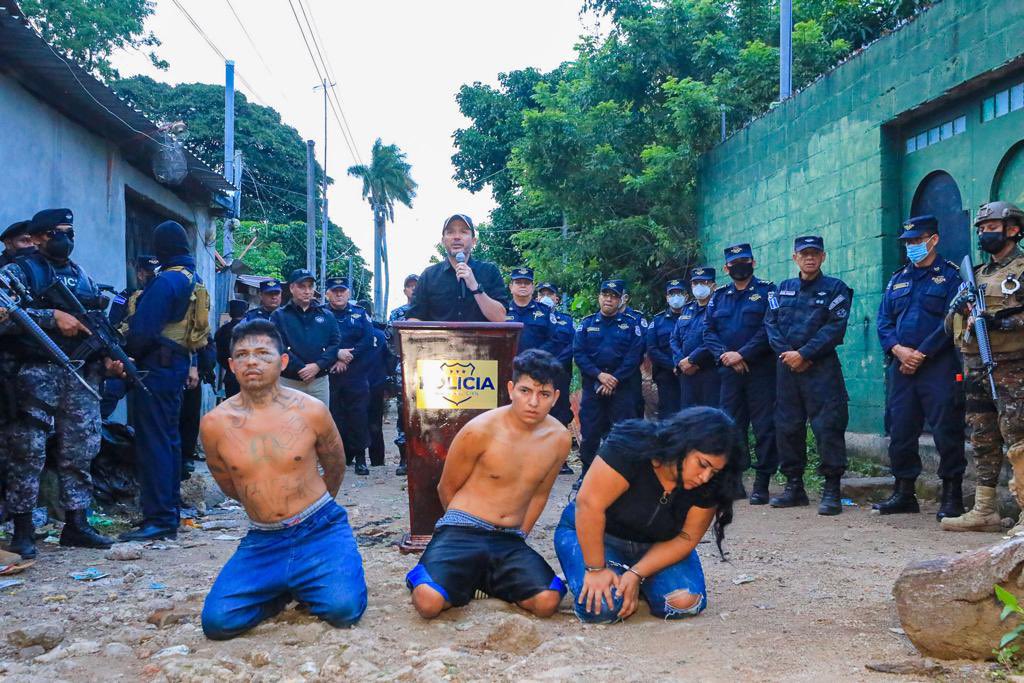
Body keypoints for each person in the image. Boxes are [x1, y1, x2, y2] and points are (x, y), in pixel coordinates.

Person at [199, 319, 366, 639]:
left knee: (343, 610)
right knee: (218, 623)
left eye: (263, 353)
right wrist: (265, 503)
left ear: (283, 361)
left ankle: (315, 574)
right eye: (243, 355)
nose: (252, 362)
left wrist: (314, 507)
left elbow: (335, 464)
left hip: (320, 528)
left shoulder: (311, 410)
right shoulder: (214, 424)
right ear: (231, 365)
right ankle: (282, 590)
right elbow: (226, 481)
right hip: (264, 539)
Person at [406, 349, 570, 619]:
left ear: (555, 398)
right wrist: (461, 527)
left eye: (544, 395)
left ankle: (479, 580)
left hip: (508, 538)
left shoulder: (559, 438)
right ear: (510, 389)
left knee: (547, 601)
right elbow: (446, 487)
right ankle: (459, 576)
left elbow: (540, 494)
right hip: (462, 530)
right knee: (428, 602)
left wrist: (520, 536)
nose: (533, 402)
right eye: (525, 391)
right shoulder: (480, 430)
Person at [2, 208, 118, 557]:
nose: (65, 238)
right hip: (32, 373)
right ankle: (23, 529)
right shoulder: (17, 271)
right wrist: (50, 317)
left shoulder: (82, 276)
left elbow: (94, 320)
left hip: (79, 373)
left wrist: (111, 355)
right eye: (56, 232)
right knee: (27, 451)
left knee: (80, 448)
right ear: (36, 237)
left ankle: (77, 523)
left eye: (69, 231)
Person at [553, 407, 739, 624]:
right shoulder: (629, 446)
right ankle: (598, 572)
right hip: (595, 533)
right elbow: (589, 506)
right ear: (681, 443)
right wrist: (595, 570)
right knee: (602, 609)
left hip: (657, 545)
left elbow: (686, 538)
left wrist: (636, 574)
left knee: (683, 603)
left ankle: (630, 579)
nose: (705, 477)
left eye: (714, 471)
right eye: (702, 464)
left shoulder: (712, 484)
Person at [121, 221, 210, 542]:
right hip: (175, 366)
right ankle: (168, 511)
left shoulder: (167, 281)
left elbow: (142, 331)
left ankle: (158, 518)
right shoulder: (192, 279)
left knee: (154, 442)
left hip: (156, 368)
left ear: (162, 248)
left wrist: (125, 352)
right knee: (170, 441)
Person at [874, 216, 965, 519]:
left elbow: (952, 321)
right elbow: (884, 321)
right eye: (908, 242)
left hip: (938, 366)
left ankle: (952, 495)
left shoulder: (951, 276)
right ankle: (904, 492)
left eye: (917, 240)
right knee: (900, 430)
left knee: (946, 430)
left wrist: (921, 354)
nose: (912, 246)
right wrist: (899, 351)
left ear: (934, 239)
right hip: (901, 368)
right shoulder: (898, 278)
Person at [943, 201, 1024, 534]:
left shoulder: (1021, 270)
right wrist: (958, 308)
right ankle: (985, 509)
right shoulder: (975, 274)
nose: (983, 234)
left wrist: (1000, 323)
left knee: (1018, 435)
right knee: (982, 436)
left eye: (990, 228)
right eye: (981, 229)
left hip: (1013, 366)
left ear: (1013, 229)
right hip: (976, 365)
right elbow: (950, 326)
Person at [765, 236, 853, 516]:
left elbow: (834, 328)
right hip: (786, 369)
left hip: (821, 369)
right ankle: (794, 486)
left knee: (828, 427)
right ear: (795, 258)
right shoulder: (783, 289)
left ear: (823, 257)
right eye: (804, 254)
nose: (809, 258)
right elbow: (771, 324)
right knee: (787, 426)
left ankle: (831, 489)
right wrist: (789, 355)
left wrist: (805, 354)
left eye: (815, 253)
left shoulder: (836, 289)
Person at [704, 244, 779, 505]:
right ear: (726, 268)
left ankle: (762, 482)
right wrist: (726, 355)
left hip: (760, 372)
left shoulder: (768, 291)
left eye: (744, 261)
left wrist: (743, 354)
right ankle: (734, 480)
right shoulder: (718, 296)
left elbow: (768, 328)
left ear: (753, 263)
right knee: (730, 427)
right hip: (729, 373)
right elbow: (708, 331)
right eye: (734, 263)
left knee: (764, 427)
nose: (740, 266)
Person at [573, 279, 645, 471]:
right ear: (599, 297)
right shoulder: (587, 324)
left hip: (622, 387)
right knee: (589, 432)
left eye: (614, 296)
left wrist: (614, 379)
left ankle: (625, 474)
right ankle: (587, 472)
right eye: (605, 295)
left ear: (621, 300)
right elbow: (579, 354)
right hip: (593, 387)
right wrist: (599, 376)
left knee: (625, 432)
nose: (609, 300)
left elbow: (634, 356)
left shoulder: (630, 325)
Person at [405, 214, 508, 322]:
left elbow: (500, 318)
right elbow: (413, 319)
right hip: (439, 339)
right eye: (450, 232)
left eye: (463, 232)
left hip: (481, 339)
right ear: (443, 241)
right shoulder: (428, 275)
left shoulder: (490, 271)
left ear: (474, 241)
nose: (456, 237)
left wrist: (475, 286)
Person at [270, 269, 339, 406]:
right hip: (289, 381)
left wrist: (317, 366)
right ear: (291, 288)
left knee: (320, 424)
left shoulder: (327, 315)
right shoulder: (279, 316)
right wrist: (301, 368)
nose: (307, 291)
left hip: (319, 381)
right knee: (288, 424)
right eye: (302, 286)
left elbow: (335, 343)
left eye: (310, 286)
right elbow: (277, 345)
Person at [326, 277, 373, 476]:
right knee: (333, 416)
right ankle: (337, 458)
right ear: (327, 293)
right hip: (329, 373)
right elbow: (317, 340)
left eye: (342, 291)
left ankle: (360, 458)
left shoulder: (360, 314)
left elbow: (368, 339)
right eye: (334, 291)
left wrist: (347, 358)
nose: (338, 294)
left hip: (355, 374)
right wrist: (336, 355)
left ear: (349, 293)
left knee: (358, 416)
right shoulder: (320, 314)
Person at [536, 281, 575, 474]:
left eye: (550, 294)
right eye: (542, 293)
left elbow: (572, 345)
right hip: (535, 373)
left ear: (556, 299)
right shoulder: (533, 318)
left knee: (560, 415)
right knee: (535, 413)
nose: (546, 297)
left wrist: (554, 365)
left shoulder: (566, 321)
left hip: (559, 374)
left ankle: (560, 460)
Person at [671, 268, 719, 409]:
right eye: (695, 283)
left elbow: (714, 338)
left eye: (703, 282)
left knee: (710, 419)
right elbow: (674, 339)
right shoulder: (687, 309)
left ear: (713, 285)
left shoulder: (719, 307)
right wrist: (681, 362)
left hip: (710, 372)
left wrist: (693, 360)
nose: (698, 287)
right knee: (688, 419)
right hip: (687, 374)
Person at [388, 274, 418, 476]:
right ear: (404, 290)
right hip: (404, 369)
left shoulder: (432, 311)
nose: (414, 290)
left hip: (429, 372)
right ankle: (404, 460)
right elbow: (390, 343)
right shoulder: (397, 314)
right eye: (410, 286)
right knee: (403, 414)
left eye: (417, 286)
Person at [647, 279, 687, 417]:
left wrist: (689, 363)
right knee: (669, 417)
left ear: (686, 296)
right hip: (667, 376)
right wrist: (674, 365)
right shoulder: (658, 321)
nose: (676, 297)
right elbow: (652, 349)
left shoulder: (694, 316)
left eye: (679, 293)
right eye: (672, 294)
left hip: (692, 373)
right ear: (667, 297)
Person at [363, 314, 396, 473]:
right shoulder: (381, 335)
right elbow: (390, 360)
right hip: (377, 383)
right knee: (375, 423)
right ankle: (377, 459)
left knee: (354, 422)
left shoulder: (356, 333)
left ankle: (355, 459)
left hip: (356, 383)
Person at [505, 266, 559, 355]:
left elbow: (553, 340)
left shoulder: (545, 311)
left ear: (533, 288)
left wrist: (535, 355)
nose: (523, 286)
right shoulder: (503, 310)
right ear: (511, 287)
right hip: (506, 363)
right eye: (518, 283)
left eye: (527, 283)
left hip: (536, 364)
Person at [109, 255, 160, 332]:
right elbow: (114, 324)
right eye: (150, 273)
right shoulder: (126, 296)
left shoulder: (163, 294)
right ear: (140, 274)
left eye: (156, 273)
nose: (155, 276)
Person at [215, 299, 249, 399]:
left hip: (230, 375)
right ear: (244, 312)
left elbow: (219, 355)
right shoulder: (249, 329)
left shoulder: (223, 330)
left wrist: (228, 366)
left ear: (230, 313)